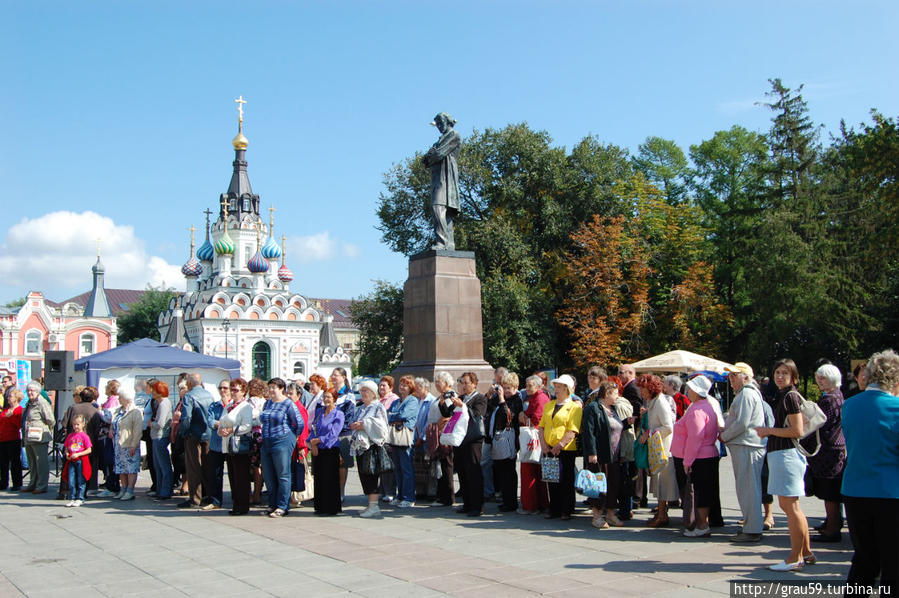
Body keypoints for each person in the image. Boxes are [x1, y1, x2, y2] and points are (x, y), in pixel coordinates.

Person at [840, 349, 899, 594]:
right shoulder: (895, 407)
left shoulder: (850, 405)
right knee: (893, 564)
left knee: (864, 559)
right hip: (890, 493)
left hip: (854, 490)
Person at [754, 358, 815, 571]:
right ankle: (805, 552)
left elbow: (796, 431)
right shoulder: (786, 395)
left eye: (784, 373)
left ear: (793, 377)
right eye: (777, 372)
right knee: (792, 507)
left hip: (786, 455)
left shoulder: (789, 397)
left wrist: (768, 430)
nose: (780, 376)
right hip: (784, 455)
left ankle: (794, 557)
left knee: (790, 507)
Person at [720, 362, 766, 542]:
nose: (731, 379)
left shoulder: (746, 394)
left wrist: (724, 436)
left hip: (747, 446)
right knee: (747, 488)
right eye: (730, 376)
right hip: (746, 445)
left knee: (748, 489)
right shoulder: (746, 393)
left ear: (745, 377)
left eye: (734, 375)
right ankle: (751, 525)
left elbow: (743, 423)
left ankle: (752, 529)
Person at [670, 376, 719, 538]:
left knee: (700, 491)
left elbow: (695, 438)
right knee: (703, 490)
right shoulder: (704, 406)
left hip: (700, 457)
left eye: (690, 389)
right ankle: (701, 524)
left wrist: (687, 461)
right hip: (706, 455)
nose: (687, 391)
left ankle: (702, 524)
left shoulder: (698, 410)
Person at [806, 364, 847, 543]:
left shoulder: (829, 399)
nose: (819, 381)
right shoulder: (838, 395)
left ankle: (832, 528)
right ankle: (832, 523)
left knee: (829, 491)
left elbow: (821, 423)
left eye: (822, 378)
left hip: (828, 450)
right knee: (833, 491)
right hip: (836, 447)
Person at [636, 374, 678, 527]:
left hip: (664, 450)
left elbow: (668, 427)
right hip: (658, 449)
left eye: (643, 389)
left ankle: (662, 515)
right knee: (659, 483)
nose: (641, 392)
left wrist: (649, 433)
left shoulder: (660, 402)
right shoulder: (654, 401)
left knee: (663, 483)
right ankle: (661, 513)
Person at [538, 374, 583, 521]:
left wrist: (560, 445)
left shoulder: (574, 407)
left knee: (566, 480)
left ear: (567, 389)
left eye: (559, 387)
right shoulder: (549, 405)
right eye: (555, 387)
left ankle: (566, 509)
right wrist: (544, 445)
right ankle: (554, 508)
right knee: (551, 479)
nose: (555, 389)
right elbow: (541, 427)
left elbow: (573, 430)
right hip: (549, 447)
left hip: (565, 449)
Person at [582, 381, 624, 529]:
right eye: (616, 394)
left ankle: (611, 514)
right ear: (607, 394)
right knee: (598, 484)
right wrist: (592, 452)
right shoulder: (593, 408)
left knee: (613, 484)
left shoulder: (613, 408)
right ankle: (597, 515)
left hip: (614, 454)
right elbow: (589, 432)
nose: (618, 397)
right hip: (600, 454)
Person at [259, 378, 304, 518]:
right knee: (268, 474)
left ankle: (282, 506)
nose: (271, 390)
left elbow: (299, 423)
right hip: (266, 441)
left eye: (274, 387)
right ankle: (272, 504)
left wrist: (292, 437)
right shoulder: (267, 403)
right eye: (270, 387)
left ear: (281, 389)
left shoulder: (288, 403)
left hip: (282, 440)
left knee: (283, 474)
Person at [422, 111, 462, 250]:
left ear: (448, 121)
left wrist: (431, 154)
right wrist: (430, 156)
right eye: (437, 124)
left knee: (437, 207)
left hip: (446, 177)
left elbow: (438, 154)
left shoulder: (454, 136)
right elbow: (425, 161)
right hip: (438, 177)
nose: (439, 126)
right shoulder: (439, 140)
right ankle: (449, 244)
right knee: (444, 212)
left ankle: (442, 242)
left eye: (441, 123)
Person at [350, 380, 389, 518]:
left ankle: (374, 506)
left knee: (371, 475)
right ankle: (370, 505)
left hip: (372, 446)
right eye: (362, 390)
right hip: (360, 446)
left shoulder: (378, 406)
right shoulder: (361, 407)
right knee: (364, 475)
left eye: (366, 390)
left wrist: (365, 424)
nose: (363, 393)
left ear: (373, 393)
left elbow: (382, 426)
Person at [452, 372, 488, 517]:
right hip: (461, 439)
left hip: (473, 439)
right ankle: (467, 503)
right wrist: (445, 402)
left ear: (474, 384)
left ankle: (477, 505)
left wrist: (464, 407)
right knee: (462, 472)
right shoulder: (461, 398)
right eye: (462, 383)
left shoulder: (480, 398)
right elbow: (450, 413)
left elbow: (478, 414)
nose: (464, 386)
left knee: (473, 472)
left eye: (467, 383)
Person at [178, 373, 215, 509]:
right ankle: (208, 495)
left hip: (194, 434)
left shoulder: (189, 396)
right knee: (207, 466)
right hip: (208, 433)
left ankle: (195, 498)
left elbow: (186, 417)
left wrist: (183, 432)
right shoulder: (209, 394)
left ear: (189, 383)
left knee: (193, 467)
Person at [218, 378, 254, 516]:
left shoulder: (245, 407)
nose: (233, 392)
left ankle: (242, 505)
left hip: (240, 445)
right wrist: (220, 430)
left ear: (243, 392)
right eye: (231, 389)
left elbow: (247, 426)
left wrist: (232, 429)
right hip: (228, 444)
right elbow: (221, 421)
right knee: (233, 476)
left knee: (241, 477)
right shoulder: (229, 406)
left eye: (236, 390)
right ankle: (236, 503)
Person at [308, 388, 345, 516]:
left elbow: (334, 434)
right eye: (325, 397)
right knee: (319, 478)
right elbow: (313, 428)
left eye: (329, 397)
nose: (326, 399)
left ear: (334, 398)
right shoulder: (319, 412)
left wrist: (318, 441)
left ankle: (331, 508)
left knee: (329, 479)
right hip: (318, 449)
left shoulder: (338, 414)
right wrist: (312, 442)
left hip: (330, 449)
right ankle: (320, 506)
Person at [491, 372, 523, 513]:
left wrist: (502, 399)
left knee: (509, 471)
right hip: (499, 438)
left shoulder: (517, 400)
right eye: (504, 387)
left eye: (509, 388)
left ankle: (511, 502)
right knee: (501, 470)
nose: (507, 390)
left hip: (510, 438)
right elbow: (491, 406)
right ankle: (505, 499)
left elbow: (508, 415)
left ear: (516, 387)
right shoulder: (501, 397)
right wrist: (491, 394)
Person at [518, 375, 550, 514]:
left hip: (534, 438)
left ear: (538, 386)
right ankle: (539, 503)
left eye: (530, 385)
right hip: (536, 438)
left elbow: (537, 419)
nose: (527, 387)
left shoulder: (540, 398)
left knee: (530, 471)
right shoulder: (536, 397)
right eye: (527, 385)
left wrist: (524, 417)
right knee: (537, 472)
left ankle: (531, 505)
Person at [386, 376, 419, 508]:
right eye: (401, 384)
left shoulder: (413, 401)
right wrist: (394, 416)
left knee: (406, 469)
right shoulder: (397, 401)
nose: (402, 387)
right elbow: (388, 415)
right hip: (395, 437)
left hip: (405, 437)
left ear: (410, 387)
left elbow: (403, 415)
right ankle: (400, 496)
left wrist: (393, 415)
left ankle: (409, 497)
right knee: (397, 469)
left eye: (405, 385)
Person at [21, 381, 54, 494]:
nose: (30, 393)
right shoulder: (29, 403)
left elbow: (50, 420)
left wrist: (42, 428)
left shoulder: (42, 403)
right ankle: (32, 483)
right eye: (28, 390)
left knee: (41, 462)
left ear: (38, 391)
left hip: (39, 437)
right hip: (29, 437)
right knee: (32, 462)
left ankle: (41, 485)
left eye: (32, 390)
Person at [204, 381, 232, 510]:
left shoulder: (235, 405)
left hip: (231, 444)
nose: (222, 390)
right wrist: (222, 424)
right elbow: (210, 421)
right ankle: (215, 501)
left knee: (234, 473)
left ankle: (237, 499)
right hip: (216, 443)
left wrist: (221, 424)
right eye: (220, 388)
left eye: (225, 388)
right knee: (215, 474)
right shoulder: (214, 405)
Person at [112, 388, 143, 501]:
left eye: (120, 397)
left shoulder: (135, 412)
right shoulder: (118, 411)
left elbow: (137, 430)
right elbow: (114, 423)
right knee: (121, 468)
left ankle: (130, 490)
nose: (119, 399)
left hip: (129, 444)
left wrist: (134, 445)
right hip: (118, 444)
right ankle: (123, 489)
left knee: (131, 468)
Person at [612, 381, 636, 522]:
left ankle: (625, 510)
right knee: (625, 480)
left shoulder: (619, 405)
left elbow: (620, 426)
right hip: (625, 448)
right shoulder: (623, 402)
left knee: (624, 481)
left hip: (624, 448)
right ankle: (627, 509)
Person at [331, 367, 355, 503]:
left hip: (343, 434)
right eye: (332, 375)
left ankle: (341, 492)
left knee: (342, 464)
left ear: (343, 377)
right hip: (330, 435)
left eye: (336, 375)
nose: (333, 378)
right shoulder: (331, 393)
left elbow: (348, 417)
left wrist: (335, 430)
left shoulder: (348, 395)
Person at [410, 376, 436, 501]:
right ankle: (420, 491)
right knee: (418, 466)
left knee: (428, 465)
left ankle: (431, 492)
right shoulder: (416, 400)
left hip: (426, 439)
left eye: (418, 387)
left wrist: (422, 437)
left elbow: (429, 421)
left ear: (425, 387)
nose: (416, 390)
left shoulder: (431, 401)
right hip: (415, 438)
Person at [149, 381, 173, 501]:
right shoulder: (162, 403)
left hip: (160, 436)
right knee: (158, 466)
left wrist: (151, 424)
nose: (152, 392)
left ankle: (165, 491)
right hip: (157, 436)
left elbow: (160, 423)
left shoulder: (164, 404)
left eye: (154, 390)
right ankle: (160, 490)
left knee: (163, 465)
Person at [377, 375, 400, 504]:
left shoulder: (393, 399)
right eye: (380, 385)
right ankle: (383, 490)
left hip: (388, 436)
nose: (381, 387)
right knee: (382, 465)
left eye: (384, 385)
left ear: (390, 387)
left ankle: (390, 491)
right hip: (379, 437)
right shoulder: (379, 400)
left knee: (389, 466)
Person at [62, 414, 92, 507]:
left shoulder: (85, 436)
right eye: (74, 424)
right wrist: (67, 453)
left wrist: (78, 454)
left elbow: (89, 449)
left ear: (83, 424)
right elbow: (66, 447)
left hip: (81, 461)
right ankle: (72, 497)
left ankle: (80, 498)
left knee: (80, 480)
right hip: (71, 460)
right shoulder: (70, 436)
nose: (76, 427)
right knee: (71, 480)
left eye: (78, 424)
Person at [246, 378, 267, 506]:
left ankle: (251, 494)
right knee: (258, 466)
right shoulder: (266, 402)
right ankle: (257, 494)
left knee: (251, 466)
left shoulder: (248, 403)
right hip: (261, 436)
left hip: (250, 436)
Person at [0, 389, 24, 491]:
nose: (8, 398)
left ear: (16, 398)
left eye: (10, 396)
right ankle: (3, 483)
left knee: (15, 462)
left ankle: (17, 483)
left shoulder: (19, 410)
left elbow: (19, 425)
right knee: (2, 463)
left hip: (13, 439)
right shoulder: (5, 410)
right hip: (2, 438)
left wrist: (10, 417)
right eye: (8, 396)